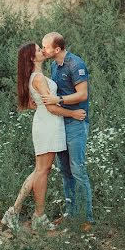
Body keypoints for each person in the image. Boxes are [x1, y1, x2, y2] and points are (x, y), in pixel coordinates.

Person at [1, 42, 86, 233]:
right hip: (48, 124)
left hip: (47, 123)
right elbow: (50, 107)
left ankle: (14, 212)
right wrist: (73, 114)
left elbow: (36, 104)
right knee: (42, 171)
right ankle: (37, 216)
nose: (42, 51)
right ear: (32, 58)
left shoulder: (35, 77)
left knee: (41, 170)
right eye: (39, 50)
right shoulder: (38, 78)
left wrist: (39, 103)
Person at [40, 32, 93, 229]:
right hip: (60, 123)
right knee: (65, 171)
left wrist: (58, 100)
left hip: (76, 124)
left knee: (78, 170)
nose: (43, 49)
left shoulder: (75, 64)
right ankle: (71, 214)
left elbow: (82, 94)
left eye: (45, 47)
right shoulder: (54, 65)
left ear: (57, 49)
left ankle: (87, 219)